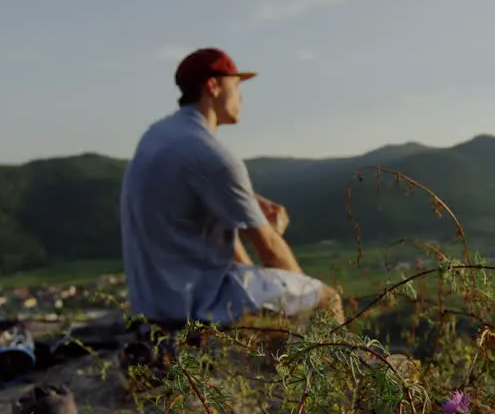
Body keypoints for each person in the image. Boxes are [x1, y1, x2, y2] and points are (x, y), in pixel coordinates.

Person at [118, 47, 346, 333]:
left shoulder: (158, 134)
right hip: (194, 303)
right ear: (213, 86)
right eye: (236, 85)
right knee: (326, 300)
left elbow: (208, 219)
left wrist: (249, 206)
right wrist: (303, 299)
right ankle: (338, 369)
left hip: (155, 301)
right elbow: (271, 248)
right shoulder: (212, 154)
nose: (241, 96)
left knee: (265, 286)